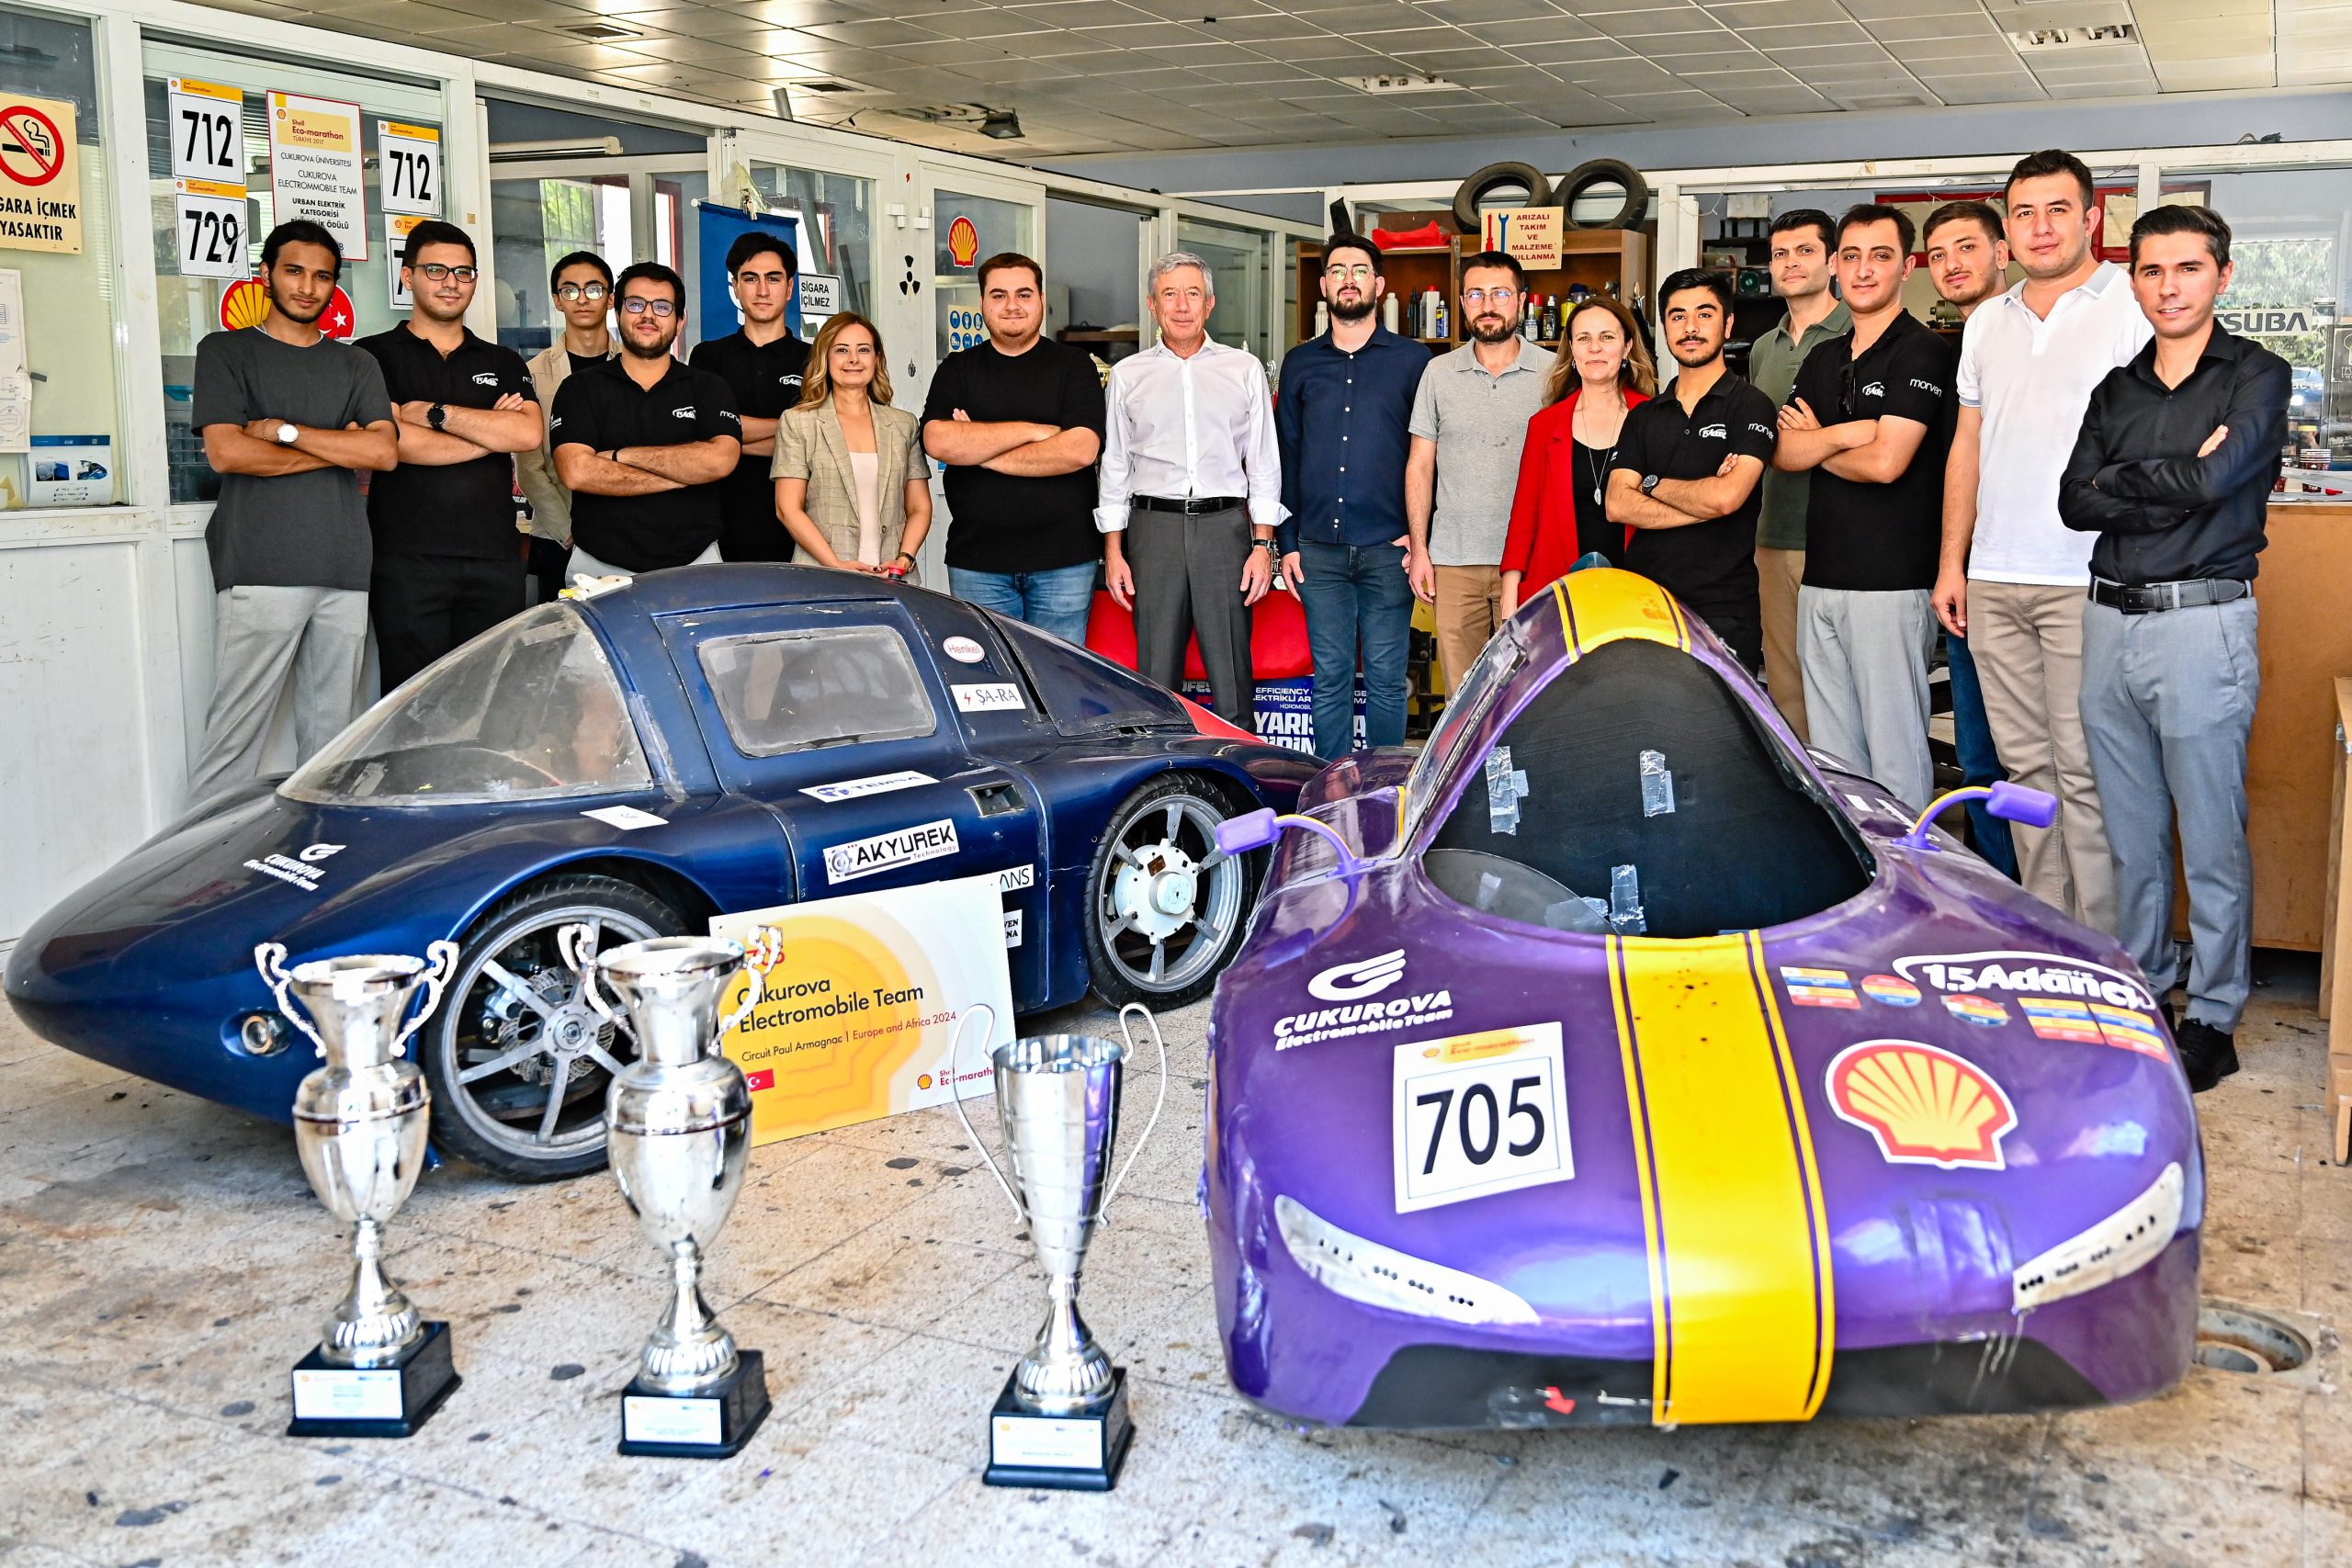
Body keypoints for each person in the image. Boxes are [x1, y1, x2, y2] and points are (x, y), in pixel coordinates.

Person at [2060, 205, 2290, 1090]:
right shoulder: (2115, 389)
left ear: (2221, 275)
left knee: (2210, 833)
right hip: (2108, 622)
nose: (2169, 286)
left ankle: (2215, 1015)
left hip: (2202, 624)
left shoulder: (2256, 375)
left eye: (2188, 268)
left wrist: (2130, 481)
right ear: (2134, 280)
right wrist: (2175, 482)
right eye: (2152, 270)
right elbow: (2074, 501)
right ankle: (2146, 989)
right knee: (2131, 833)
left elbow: (2219, 478)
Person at [1935, 149, 2151, 928]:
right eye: (2024, 212)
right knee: (2023, 773)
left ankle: (2103, 948)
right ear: (2008, 228)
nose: (2041, 227)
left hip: (2085, 578)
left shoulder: (2131, 304)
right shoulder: (1987, 321)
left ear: (2092, 217)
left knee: (2086, 772)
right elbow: (1968, 446)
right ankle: (2048, 936)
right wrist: (1953, 562)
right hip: (1994, 578)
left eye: (2058, 209)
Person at [186, 220, 397, 800]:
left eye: (322, 276)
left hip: (345, 567)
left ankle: (314, 851)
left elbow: (382, 452)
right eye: (294, 271)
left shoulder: (356, 364)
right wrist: (337, 447)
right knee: (233, 743)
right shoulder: (226, 351)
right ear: (266, 275)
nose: (307, 287)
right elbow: (228, 454)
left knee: (331, 745)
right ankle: (202, 857)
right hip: (260, 565)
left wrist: (284, 432)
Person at [1770, 205, 1955, 810]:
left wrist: (1820, 442)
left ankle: (1910, 868)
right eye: (1851, 257)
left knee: (1895, 757)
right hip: (1821, 580)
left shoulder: (1923, 351)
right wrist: (1853, 433)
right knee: (1835, 762)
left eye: (1880, 256)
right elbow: (1784, 451)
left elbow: (1887, 463)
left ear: (1907, 266)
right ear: (1835, 267)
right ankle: (1859, 869)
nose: (1863, 269)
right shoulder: (1824, 358)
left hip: (1891, 584)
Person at [355, 220, 543, 693]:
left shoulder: (502, 361)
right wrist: (490, 433)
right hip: (406, 559)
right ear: (407, 276)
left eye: (463, 272)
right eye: (436, 270)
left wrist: (434, 414)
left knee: (490, 697)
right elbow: (390, 444)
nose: (451, 283)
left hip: (494, 558)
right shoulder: (371, 357)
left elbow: (527, 432)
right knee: (412, 698)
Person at [1097, 252, 1283, 725]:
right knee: (1156, 676)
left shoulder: (1243, 369)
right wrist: (1114, 551)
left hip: (1225, 529)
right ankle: (1165, 764)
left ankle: (1239, 766)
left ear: (1210, 303)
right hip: (1152, 530)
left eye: (1192, 293)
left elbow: (1263, 461)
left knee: (1232, 674)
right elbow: (1115, 465)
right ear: (1152, 304)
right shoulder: (1128, 375)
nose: (1182, 305)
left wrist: (1263, 545)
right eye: (1169, 294)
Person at [1275, 233, 1427, 760]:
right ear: (1323, 286)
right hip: (1318, 549)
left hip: (1390, 547)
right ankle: (1332, 785)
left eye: (1359, 270)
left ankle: (1386, 789)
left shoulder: (1414, 361)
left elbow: (1429, 455)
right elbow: (1286, 456)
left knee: (1386, 679)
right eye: (1337, 271)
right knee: (1331, 678)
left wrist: (1420, 536)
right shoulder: (1300, 363)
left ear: (1378, 285)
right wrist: (1287, 542)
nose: (1348, 280)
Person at [922, 253, 1105, 644]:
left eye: (1023, 294)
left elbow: (1080, 450)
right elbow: (938, 441)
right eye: (998, 295)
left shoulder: (1074, 367)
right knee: (988, 675)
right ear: (982, 303)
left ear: (1041, 300)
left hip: (1065, 563)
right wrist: (1035, 431)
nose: (1012, 306)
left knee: (1057, 673)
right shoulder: (957, 368)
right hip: (978, 563)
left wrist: (978, 449)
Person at [1605, 269, 1779, 670]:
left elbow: (1726, 498)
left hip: (1724, 609)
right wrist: (1704, 502)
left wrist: (1650, 484)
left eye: (1704, 314)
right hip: (1646, 605)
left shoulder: (1751, 406)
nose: (1690, 327)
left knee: (1721, 714)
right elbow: (1616, 504)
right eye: (1677, 316)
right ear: (1665, 328)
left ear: (1728, 324)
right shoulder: (1644, 416)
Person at [1922, 199, 2020, 878]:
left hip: (2040, 581)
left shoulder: (2036, 336)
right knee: (1980, 759)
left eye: (1967, 247)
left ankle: (2050, 907)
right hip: (1967, 578)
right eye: (1938, 255)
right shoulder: (1944, 350)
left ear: (2002, 252)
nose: (1953, 264)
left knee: (2039, 761)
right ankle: (1999, 897)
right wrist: (1951, 565)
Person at [1405, 250, 1555, 694]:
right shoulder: (1438, 373)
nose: (1488, 305)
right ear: (1462, 302)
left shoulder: (1554, 373)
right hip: (1454, 562)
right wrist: (1420, 549)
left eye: (1500, 294)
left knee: (1531, 693)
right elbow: (1420, 465)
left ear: (1522, 301)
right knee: (1463, 697)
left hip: (1531, 561)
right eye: (1475, 294)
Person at [548, 262, 741, 578]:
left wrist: (620, 456)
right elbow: (576, 471)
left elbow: (721, 460)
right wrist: (685, 474)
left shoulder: (708, 387)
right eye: (636, 304)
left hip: (696, 563)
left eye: (662, 306)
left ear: (680, 321)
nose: (648, 315)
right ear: (618, 313)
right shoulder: (580, 388)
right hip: (597, 568)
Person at [1747, 209, 1848, 741]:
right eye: (1781, 254)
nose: (1791, 263)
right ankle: (1806, 787)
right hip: (1773, 535)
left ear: (1832, 261)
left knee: (1843, 688)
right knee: (1786, 685)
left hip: (1841, 538)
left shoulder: (1859, 330)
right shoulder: (1764, 347)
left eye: (1805, 251)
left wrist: (1816, 440)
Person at [1501, 294, 1656, 614]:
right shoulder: (1544, 425)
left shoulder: (1654, 418)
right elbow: (1524, 515)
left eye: (1607, 337)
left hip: (1639, 590)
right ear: (1572, 349)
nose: (1594, 348)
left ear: (1627, 346)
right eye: (1584, 338)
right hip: (1557, 592)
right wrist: (1510, 593)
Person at [772, 312, 930, 578]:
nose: (853, 359)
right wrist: (834, 564)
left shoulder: (904, 424)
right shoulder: (798, 422)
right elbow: (787, 509)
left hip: (894, 577)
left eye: (863, 350)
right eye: (842, 350)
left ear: (876, 358)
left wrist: (904, 559)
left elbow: (920, 507)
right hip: (824, 576)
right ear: (825, 357)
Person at [691, 231, 810, 562]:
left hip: (799, 530)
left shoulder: (815, 359)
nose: (762, 291)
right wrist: (794, 429)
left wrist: (727, 440)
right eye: (750, 278)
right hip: (717, 531)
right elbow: (699, 435)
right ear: (735, 287)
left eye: (773, 278)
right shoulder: (707, 356)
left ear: (789, 287)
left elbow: (822, 441)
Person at [517, 251, 616, 604]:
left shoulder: (635, 365)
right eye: (570, 290)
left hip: (625, 533)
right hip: (558, 536)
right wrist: (569, 531)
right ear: (557, 301)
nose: (582, 299)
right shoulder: (532, 373)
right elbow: (530, 469)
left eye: (594, 289)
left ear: (611, 298)